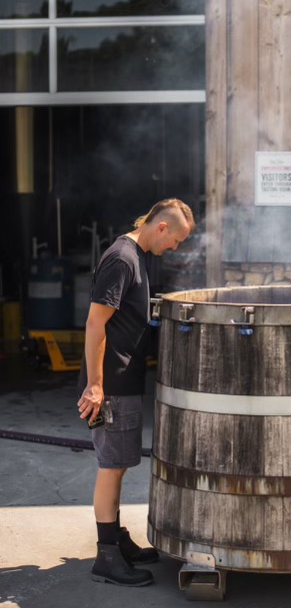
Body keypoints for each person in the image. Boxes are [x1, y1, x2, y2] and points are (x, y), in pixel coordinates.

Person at [78, 198, 195, 586]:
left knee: (120, 463)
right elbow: (96, 324)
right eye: (175, 241)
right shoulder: (122, 259)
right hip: (111, 384)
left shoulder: (135, 256)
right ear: (161, 227)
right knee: (111, 468)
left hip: (122, 382)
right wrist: (96, 386)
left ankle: (117, 539)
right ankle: (106, 556)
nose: (174, 249)